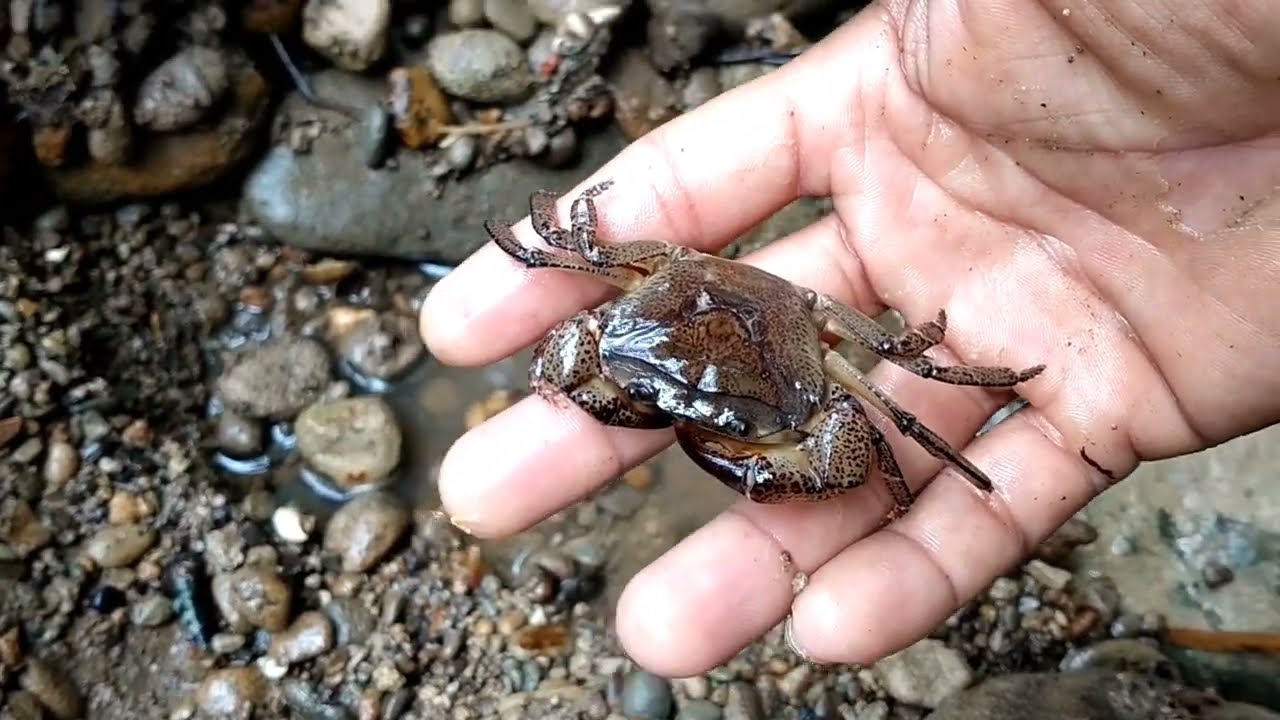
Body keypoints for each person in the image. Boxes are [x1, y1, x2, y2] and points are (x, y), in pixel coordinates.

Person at [418, 0, 1280, 677]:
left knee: (890, 426)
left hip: (800, 336)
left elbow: (885, 421)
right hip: (728, 311)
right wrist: (584, 302)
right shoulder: (654, 278)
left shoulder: (827, 365)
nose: (686, 419)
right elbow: (590, 269)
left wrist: (813, 466)